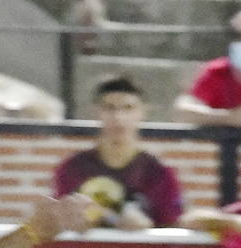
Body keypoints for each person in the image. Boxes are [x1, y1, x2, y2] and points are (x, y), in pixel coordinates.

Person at [53, 76, 182, 230]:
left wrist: (146, 228)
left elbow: (172, 229)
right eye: (109, 108)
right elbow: (61, 222)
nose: (118, 117)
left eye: (128, 108)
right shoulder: (74, 168)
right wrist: (109, 218)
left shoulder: (158, 173)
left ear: (142, 112)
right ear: (96, 112)